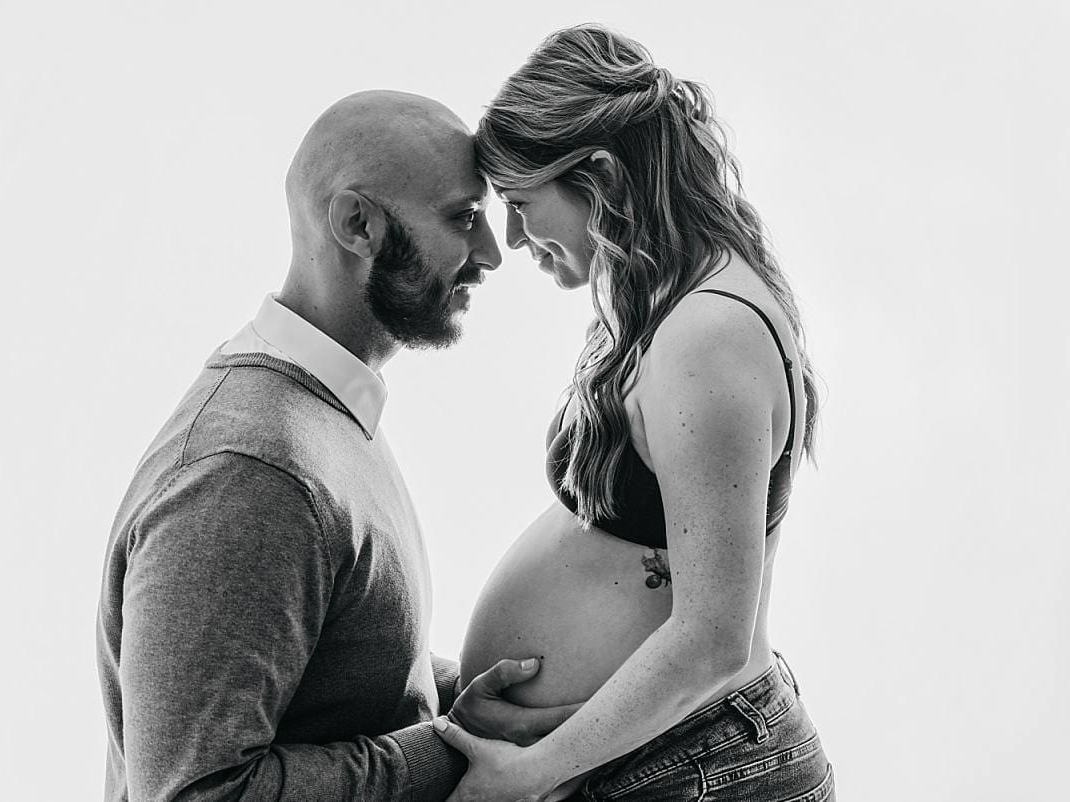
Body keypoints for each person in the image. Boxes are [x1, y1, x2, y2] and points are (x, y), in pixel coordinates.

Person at [95, 90, 580, 802]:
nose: (490, 254)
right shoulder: (250, 473)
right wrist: (453, 755)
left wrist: (461, 695)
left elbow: (335, 675)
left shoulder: (322, 413)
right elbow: (199, 793)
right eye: (464, 217)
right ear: (359, 224)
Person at [435, 25, 835, 801]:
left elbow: (713, 637)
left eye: (521, 203)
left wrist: (525, 776)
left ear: (602, 177)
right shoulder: (671, 303)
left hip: (706, 771)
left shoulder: (707, 332)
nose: (512, 238)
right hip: (671, 763)